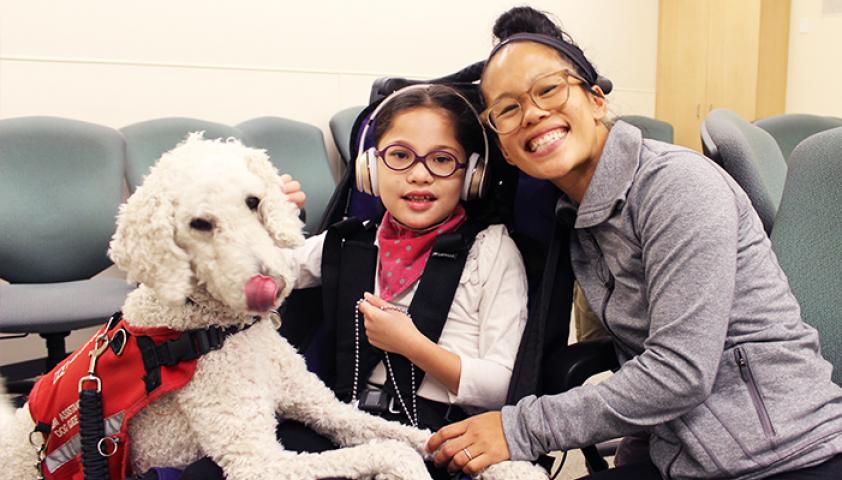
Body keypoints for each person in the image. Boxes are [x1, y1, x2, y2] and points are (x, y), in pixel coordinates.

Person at [427, 6, 842, 480]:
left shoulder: (677, 186)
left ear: (597, 99)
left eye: (548, 89)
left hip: (787, 455)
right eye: (509, 108)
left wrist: (520, 428)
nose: (534, 113)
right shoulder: (577, 218)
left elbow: (679, 372)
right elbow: (639, 351)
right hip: (686, 459)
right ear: (503, 145)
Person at [181, 84, 528, 480]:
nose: (419, 175)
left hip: (441, 437)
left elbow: (503, 386)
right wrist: (259, 224)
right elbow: (247, 281)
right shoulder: (349, 242)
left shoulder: (492, 250)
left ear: (472, 175)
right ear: (370, 168)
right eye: (399, 156)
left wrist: (412, 346)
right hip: (349, 425)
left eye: (442, 160)